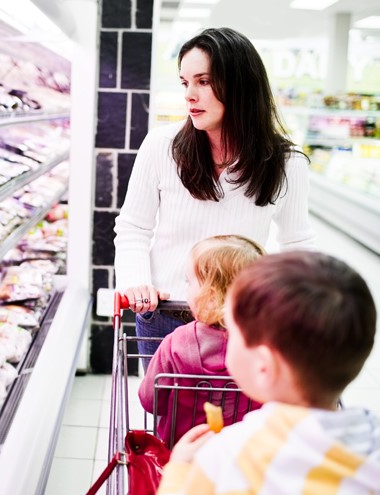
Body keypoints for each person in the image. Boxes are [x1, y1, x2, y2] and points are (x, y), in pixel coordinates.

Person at [113, 27, 315, 360]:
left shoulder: (287, 162)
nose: (189, 95)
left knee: (237, 414)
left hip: (240, 322)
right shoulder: (162, 146)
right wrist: (136, 281)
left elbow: (297, 243)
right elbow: (133, 227)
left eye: (203, 81)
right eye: (185, 82)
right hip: (165, 314)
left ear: (241, 85)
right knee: (167, 412)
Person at [157, 251, 380, 494]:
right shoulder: (372, 440)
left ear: (263, 366)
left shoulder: (227, 456)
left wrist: (178, 468)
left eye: (232, 331)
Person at [138, 235, 264, 446]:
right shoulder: (267, 347)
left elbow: (150, 401)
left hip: (183, 449)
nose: (186, 290)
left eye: (189, 282)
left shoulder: (176, 343)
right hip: (244, 451)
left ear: (211, 297)